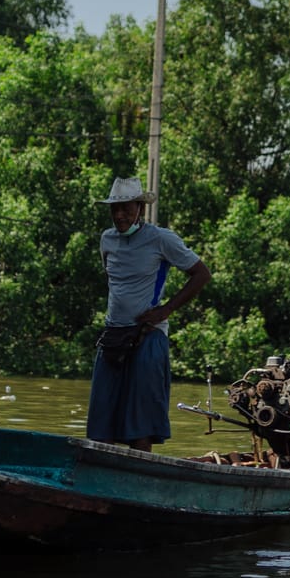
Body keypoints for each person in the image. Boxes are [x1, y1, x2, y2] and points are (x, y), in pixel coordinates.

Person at [86, 176, 211, 452]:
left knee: (140, 421)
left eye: (126, 208)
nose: (120, 215)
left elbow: (201, 274)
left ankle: (139, 475)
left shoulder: (160, 239)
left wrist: (166, 309)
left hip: (147, 336)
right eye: (115, 209)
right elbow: (114, 280)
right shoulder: (107, 240)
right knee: (101, 418)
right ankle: (102, 478)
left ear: (139, 208)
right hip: (114, 334)